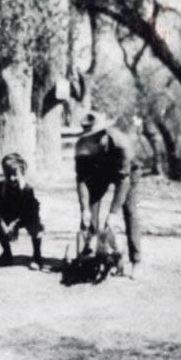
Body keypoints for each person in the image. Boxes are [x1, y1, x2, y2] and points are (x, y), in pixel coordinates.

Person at [74, 111, 142, 279]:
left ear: (105, 134)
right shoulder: (81, 146)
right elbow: (82, 179)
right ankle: (93, 252)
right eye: (88, 138)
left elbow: (123, 182)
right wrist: (85, 210)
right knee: (90, 212)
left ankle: (136, 260)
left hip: (126, 173)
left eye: (95, 138)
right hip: (100, 171)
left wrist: (113, 213)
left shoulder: (123, 145)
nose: (91, 143)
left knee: (129, 211)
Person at [0, 153, 44, 270]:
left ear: (22, 173)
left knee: (36, 226)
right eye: (8, 175)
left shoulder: (27, 190)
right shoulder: (0, 188)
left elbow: (29, 211)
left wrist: (16, 223)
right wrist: (2, 224)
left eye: (15, 175)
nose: (12, 178)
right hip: (8, 217)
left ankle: (37, 256)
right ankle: (7, 254)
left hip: (25, 217)